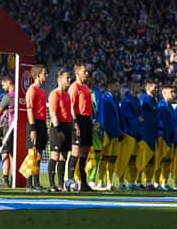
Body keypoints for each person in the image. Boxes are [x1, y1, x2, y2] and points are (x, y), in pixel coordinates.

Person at [66, 63, 93, 192]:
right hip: (79, 119)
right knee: (76, 150)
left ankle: (83, 183)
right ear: (77, 73)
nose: (87, 73)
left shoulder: (86, 88)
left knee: (85, 152)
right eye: (85, 71)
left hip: (87, 120)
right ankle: (69, 181)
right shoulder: (74, 87)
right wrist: (75, 122)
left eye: (87, 71)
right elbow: (71, 106)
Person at [48, 69, 72, 192]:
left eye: (69, 78)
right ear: (60, 79)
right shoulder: (54, 94)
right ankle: (52, 185)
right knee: (55, 155)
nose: (69, 80)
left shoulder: (67, 95)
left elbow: (69, 113)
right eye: (67, 78)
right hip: (58, 127)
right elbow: (52, 112)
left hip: (67, 126)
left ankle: (61, 185)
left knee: (64, 157)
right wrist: (58, 130)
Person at [25, 64, 48, 192]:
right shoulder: (32, 90)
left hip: (42, 123)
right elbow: (29, 110)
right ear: (38, 75)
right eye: (45, 73)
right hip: (34, 124)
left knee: (39, 155)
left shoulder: (42, 91)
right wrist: (33, 128)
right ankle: (29, 185)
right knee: (32, 154)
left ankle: (37, 184)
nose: (46, 75)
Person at [97, 78, 122, 190]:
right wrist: (103, 130)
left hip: (115, 133)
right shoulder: (105, 98)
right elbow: (103, 116)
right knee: (104, 158)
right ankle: (100, 181)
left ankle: (109, 181)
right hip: (107, 132)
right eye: (116, 85)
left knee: (112, 158)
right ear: (110, 85)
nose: (118, 88)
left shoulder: (114, 98)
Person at [117, 80, 142, 190]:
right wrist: (137, 120)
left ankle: (131, 181)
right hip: (128, 133)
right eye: (137, 85)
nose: (139, 87)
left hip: (136, 133)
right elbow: (125, 117)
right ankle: (121, 182)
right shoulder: (126, 101)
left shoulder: (136, 100)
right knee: (125, 159)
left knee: (132, 159)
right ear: (132, 86)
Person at [155, 84, 177, 191]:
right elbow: (158, 122)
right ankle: (156, 182)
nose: (174, 94)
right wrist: (161, 134)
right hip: (163, 137)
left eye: (174, 92)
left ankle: (164, 181)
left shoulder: (169, 106)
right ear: (164, 93)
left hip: (170, 137)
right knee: (160, 160)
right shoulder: (161, 106)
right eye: (171, 92)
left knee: (167, 161)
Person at [136, 81, 157, 190]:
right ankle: (138, 181)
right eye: (154, 86)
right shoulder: (144, 100)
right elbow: (141, 117)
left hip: (152, 134)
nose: (156, 88)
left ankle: (149, 182)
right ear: (148, 88)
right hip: (145, 134)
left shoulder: (153, 100)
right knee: (143, 158)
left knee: (151, 159)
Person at [0, 75, 15, 188]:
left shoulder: (8, 96)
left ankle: (5, 178)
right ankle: (14, 179)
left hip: (6, 127)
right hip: (15, 127)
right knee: (12, 153)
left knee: (5, 153)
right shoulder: (19, 95)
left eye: (3, 84)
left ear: (8, 83)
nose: (3, 87)